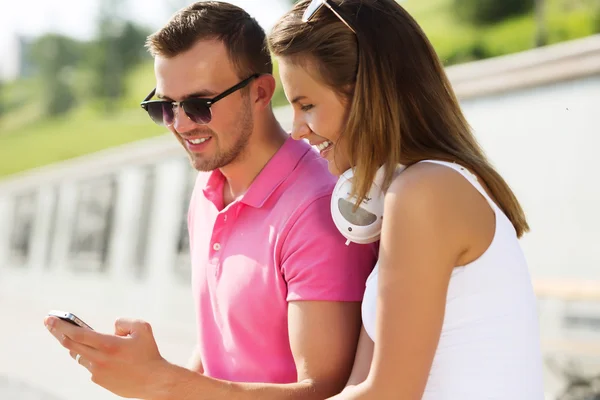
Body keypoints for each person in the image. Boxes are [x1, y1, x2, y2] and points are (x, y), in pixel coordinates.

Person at [43, 2, 377, 399]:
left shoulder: (319, 207)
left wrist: (162, 383)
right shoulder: (207, 189)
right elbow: (220, 346)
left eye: (200, 105)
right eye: (165, 107)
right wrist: (154, 378)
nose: (181, 124)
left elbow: (324, 391)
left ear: (260, 91)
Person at [267, 0, 545, 398]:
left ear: (368, 94)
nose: (296, 130)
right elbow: (360, 387)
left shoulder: (424, 193)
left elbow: (389, 394)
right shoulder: (407, 192)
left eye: (307, 105)